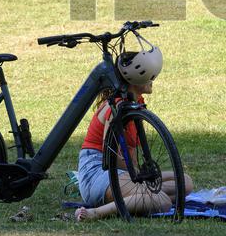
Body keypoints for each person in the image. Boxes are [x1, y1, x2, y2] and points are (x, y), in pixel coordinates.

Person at [74, 48, 193, 222]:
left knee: (185, 182)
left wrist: (139, 175)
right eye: (148, 76)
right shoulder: (116, 107)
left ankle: (135, 198)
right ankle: (95, 213)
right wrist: (136, 174)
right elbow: (111, 156)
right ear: (134, 78)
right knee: (161, 201)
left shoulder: (135, 103)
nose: (152, 79)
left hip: (122, 172)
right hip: (98, 171)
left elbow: (130, 151)